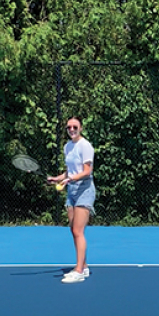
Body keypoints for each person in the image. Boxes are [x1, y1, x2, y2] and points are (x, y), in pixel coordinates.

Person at [48, 116, 96, 284]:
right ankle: (84, 266)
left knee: (78, 231)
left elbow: (87, 171)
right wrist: (57, 178)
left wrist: (71, 179)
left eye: (75, 127)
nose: (72, 130)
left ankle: (79, 270)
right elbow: (69, 172)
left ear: (81, 128)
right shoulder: (67, 147)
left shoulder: (86, 146)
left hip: (84, 189)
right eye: (69, 127)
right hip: (72, 190)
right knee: (73, 230)